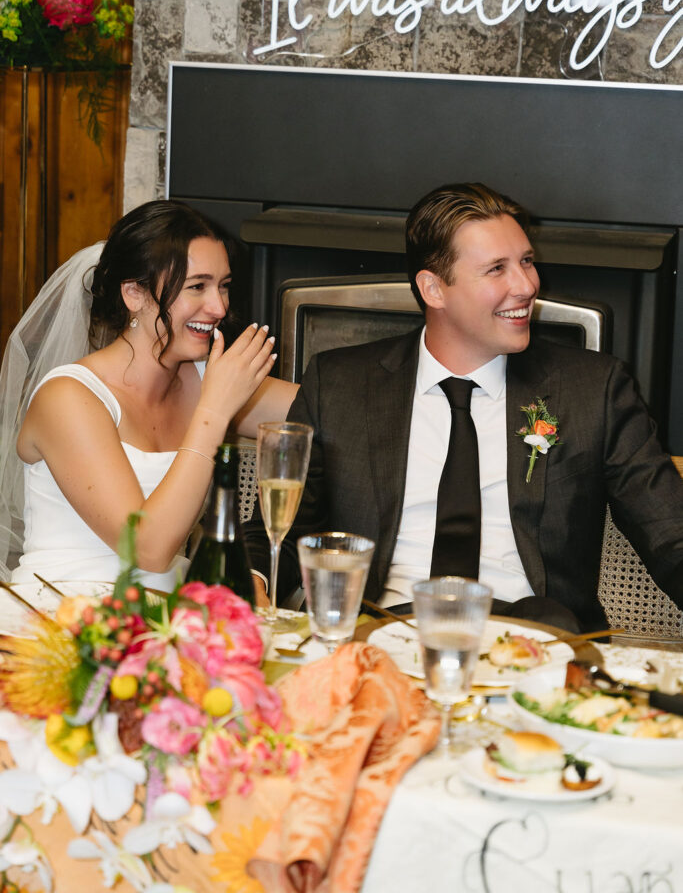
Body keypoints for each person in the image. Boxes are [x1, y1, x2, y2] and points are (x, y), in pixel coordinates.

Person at [244, 183, 683, 631]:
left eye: (527, 262)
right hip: (383, 631)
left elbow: (671, 535)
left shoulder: (593, 388)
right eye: (497, 269)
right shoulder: (339, 384)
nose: (527, 285)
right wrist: (252, 582)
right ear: (433, 288)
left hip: (537, 638)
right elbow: (276, 528)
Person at [0, 200, 298, 589]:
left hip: (166, 611)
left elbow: (329, 416)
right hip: (65, 615)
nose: (219, 306)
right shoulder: (68, 398)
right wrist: (214, 411)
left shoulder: (206, 379)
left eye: (223, 286)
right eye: (197, 287)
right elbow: (148, 550)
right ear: (134, 295)